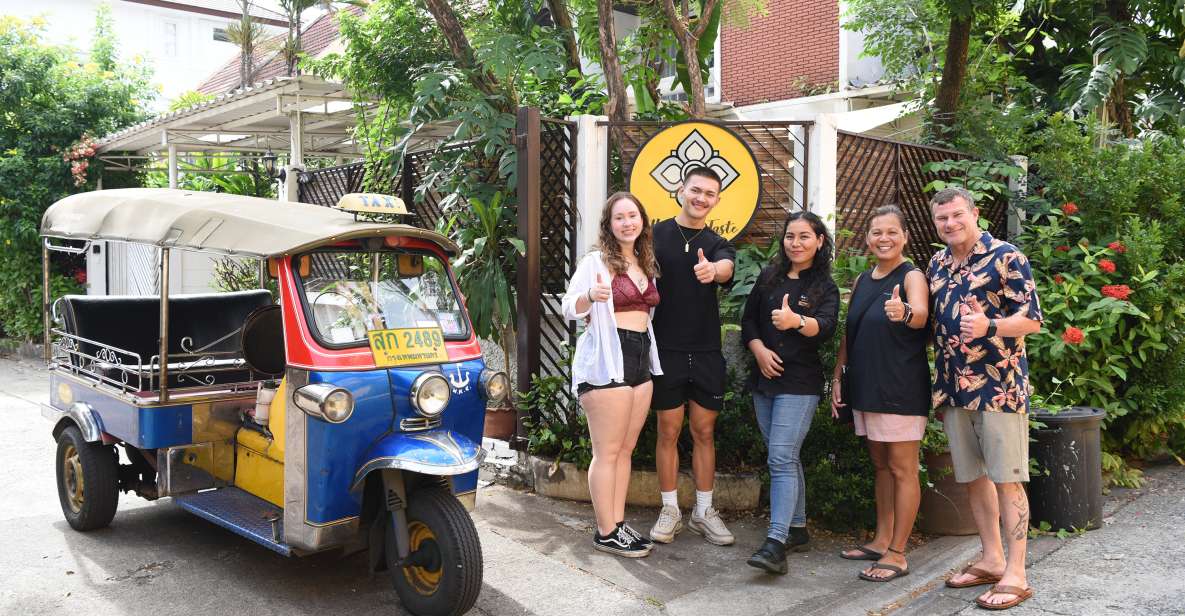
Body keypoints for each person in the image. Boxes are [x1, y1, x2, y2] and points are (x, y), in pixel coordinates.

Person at [927, 187, 1042, 610]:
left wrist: (989, 327)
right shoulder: (938, 262)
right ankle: (992, 559)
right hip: (954, 387)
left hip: (999, 388)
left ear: (975, 214)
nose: (951, 224)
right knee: (973, 477)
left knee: (1007, 478)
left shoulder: (1007, 256)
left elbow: (1032, 319)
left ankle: (1017, 572)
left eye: (958, 215)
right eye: (943, 219)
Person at [562, 192, 664, 558]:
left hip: (640, 357)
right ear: (609, 225)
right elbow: (569, 307)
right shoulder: (595, 262)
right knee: (607, 451)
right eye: (619, 217)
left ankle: (617, 524)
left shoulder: (644, 261)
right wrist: (590, 295)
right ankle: (605, 531)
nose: (627, 223)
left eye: (633, 215)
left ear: (642, 221)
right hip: (608, 356)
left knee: (625, 449)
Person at [832, 205, 930, 582]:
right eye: (876, 232)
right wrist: (838, 374)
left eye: (891, 232)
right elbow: (849, 333)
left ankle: (898, 553)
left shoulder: (912, 276)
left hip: (900, 387)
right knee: (881, 467)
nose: (883, 238)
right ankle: (880, 539)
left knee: (903, 469)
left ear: (904, 236)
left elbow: (920, 314)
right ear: (867, 238)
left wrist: (904, 311)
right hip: (865, 385)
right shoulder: (862, 280)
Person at [741, 210, 839, 574]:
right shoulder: (770, 277)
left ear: (819, 241)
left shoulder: (824, 286)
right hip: (764, 379)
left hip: (799, 383)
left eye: (804, 236)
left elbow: (827, 327)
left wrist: (796, 321)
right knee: (785, 455)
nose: (795, 243)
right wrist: (759, 350)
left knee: (780, 458)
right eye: (790, 236)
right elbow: (748, 319)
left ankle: (775, 542)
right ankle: (797, 528)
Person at [647, 166, 737, 546]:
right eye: (696, 190)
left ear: (716, 200)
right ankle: (670, 510)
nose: (701, 198)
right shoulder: (654, 235)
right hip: (664, 349)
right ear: (681, 190)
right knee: (668, 431)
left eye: (709, 194)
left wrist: (712, 270)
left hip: (705, 352)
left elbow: (725, 268)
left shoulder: (718, 243)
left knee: (704, 431)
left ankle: (703, 510)